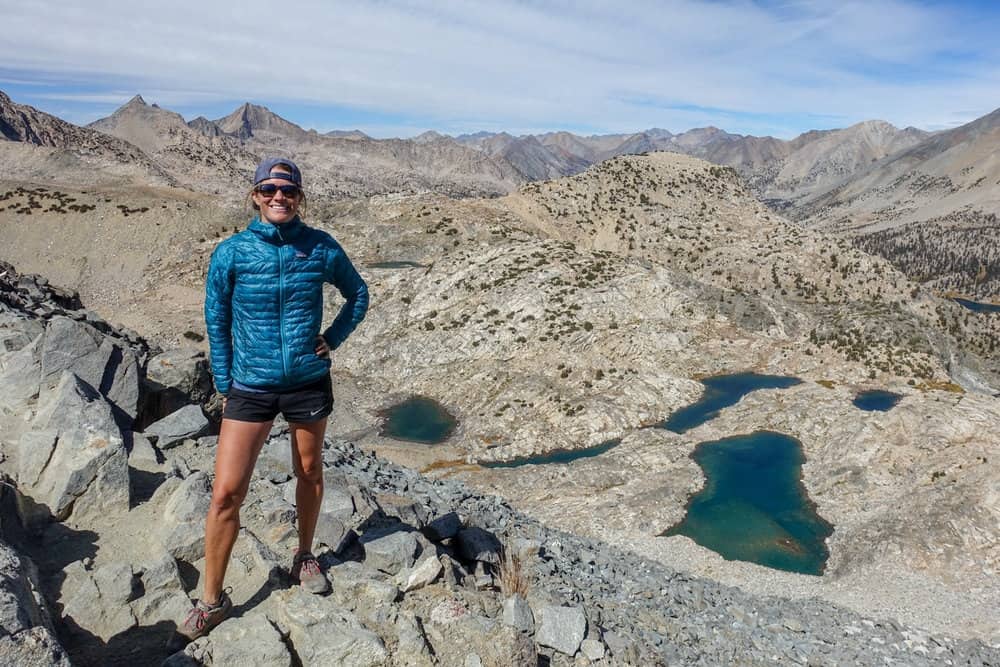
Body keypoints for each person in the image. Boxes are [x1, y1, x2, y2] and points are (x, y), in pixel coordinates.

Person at [176, 157, 369, 642]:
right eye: (268, 189)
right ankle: (210, 601)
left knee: (309, 471)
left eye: (288, 190)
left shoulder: (320, 247)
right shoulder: (232, 252)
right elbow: (216, 317)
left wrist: (333, 338)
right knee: (225, 493)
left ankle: (304, 554)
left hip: (306, 380)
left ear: (300, 196)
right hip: (251, 385)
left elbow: (358, 293)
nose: (278, 197)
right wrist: (224, 378)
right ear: (255, 195)